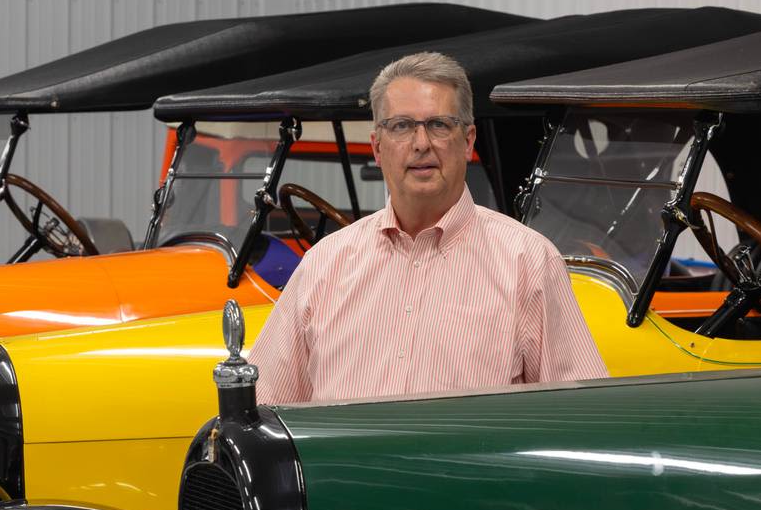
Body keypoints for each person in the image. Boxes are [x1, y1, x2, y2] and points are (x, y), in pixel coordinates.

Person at [251, 52, 607, 404]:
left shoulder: (528, 262)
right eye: (401, 126)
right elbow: (265, 409)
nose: (421, 144)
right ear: (377, 147)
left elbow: (583, 417)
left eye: (439, 125)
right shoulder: (324, 265)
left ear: (468, 142)